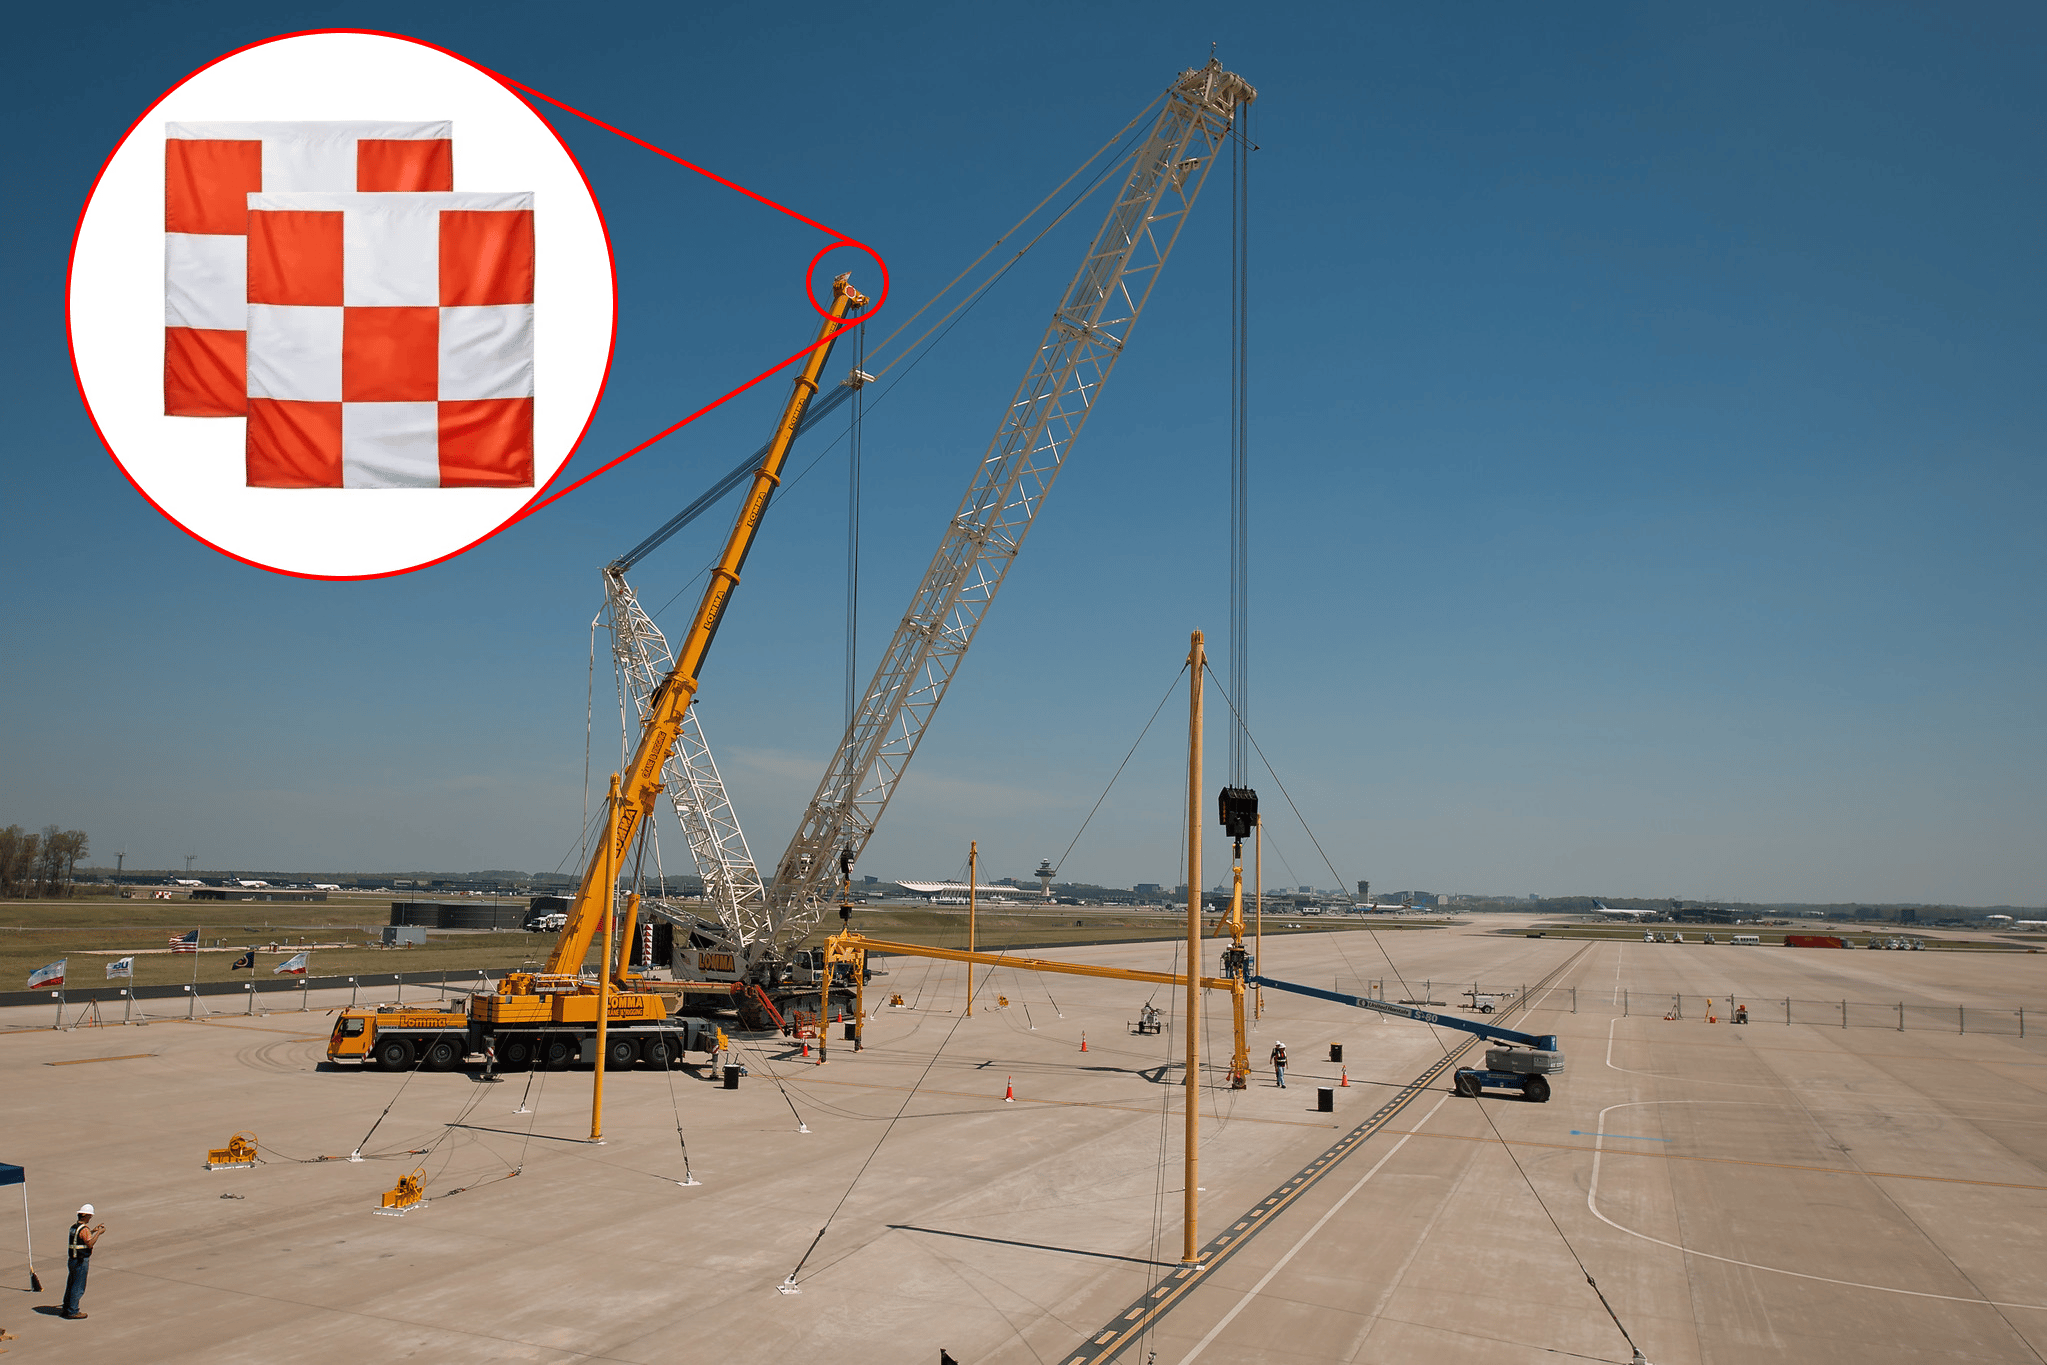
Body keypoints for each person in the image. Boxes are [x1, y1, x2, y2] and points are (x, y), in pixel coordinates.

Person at [62, 1205, 103, 1319]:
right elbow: (89, 1243)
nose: (90, 1218)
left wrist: (93, 1230)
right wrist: (98, 1233)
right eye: (90, 1216)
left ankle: (67, 1307)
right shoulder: (84, 1229)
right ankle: (73, 1310)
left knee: (71, 1284)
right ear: (86, 1216)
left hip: (72, 1260)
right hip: (80, 1260)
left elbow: (80, 1237)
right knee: (78, 1286)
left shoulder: (74, 1227)